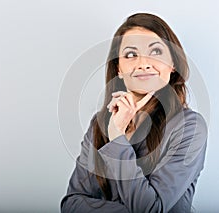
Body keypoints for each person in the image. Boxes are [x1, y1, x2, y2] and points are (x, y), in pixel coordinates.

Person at [61, 13, 208, 213]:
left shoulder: (190, 127)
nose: (143, 64)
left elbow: (149, 209)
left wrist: (116, 138)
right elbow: (71, 204)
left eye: (156, 51)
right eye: (131, 55)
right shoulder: (100, 123)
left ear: (173, 64)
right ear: (118, 68)